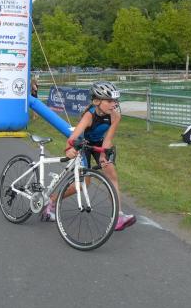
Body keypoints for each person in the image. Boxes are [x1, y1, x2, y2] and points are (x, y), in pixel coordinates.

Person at [42, 81, 136, 231]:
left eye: (115, 100)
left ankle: (118, 216)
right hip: (83, 144)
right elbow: (73, 136)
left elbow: (108, 140)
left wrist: (103, 155)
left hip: (98, 144)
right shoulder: (89, 115)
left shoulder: (115, 116)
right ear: (97, 101)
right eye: (109, 101)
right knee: (83, 184)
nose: (114, 104)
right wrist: (69, 149)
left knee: (112, 174)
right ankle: (52, 200)